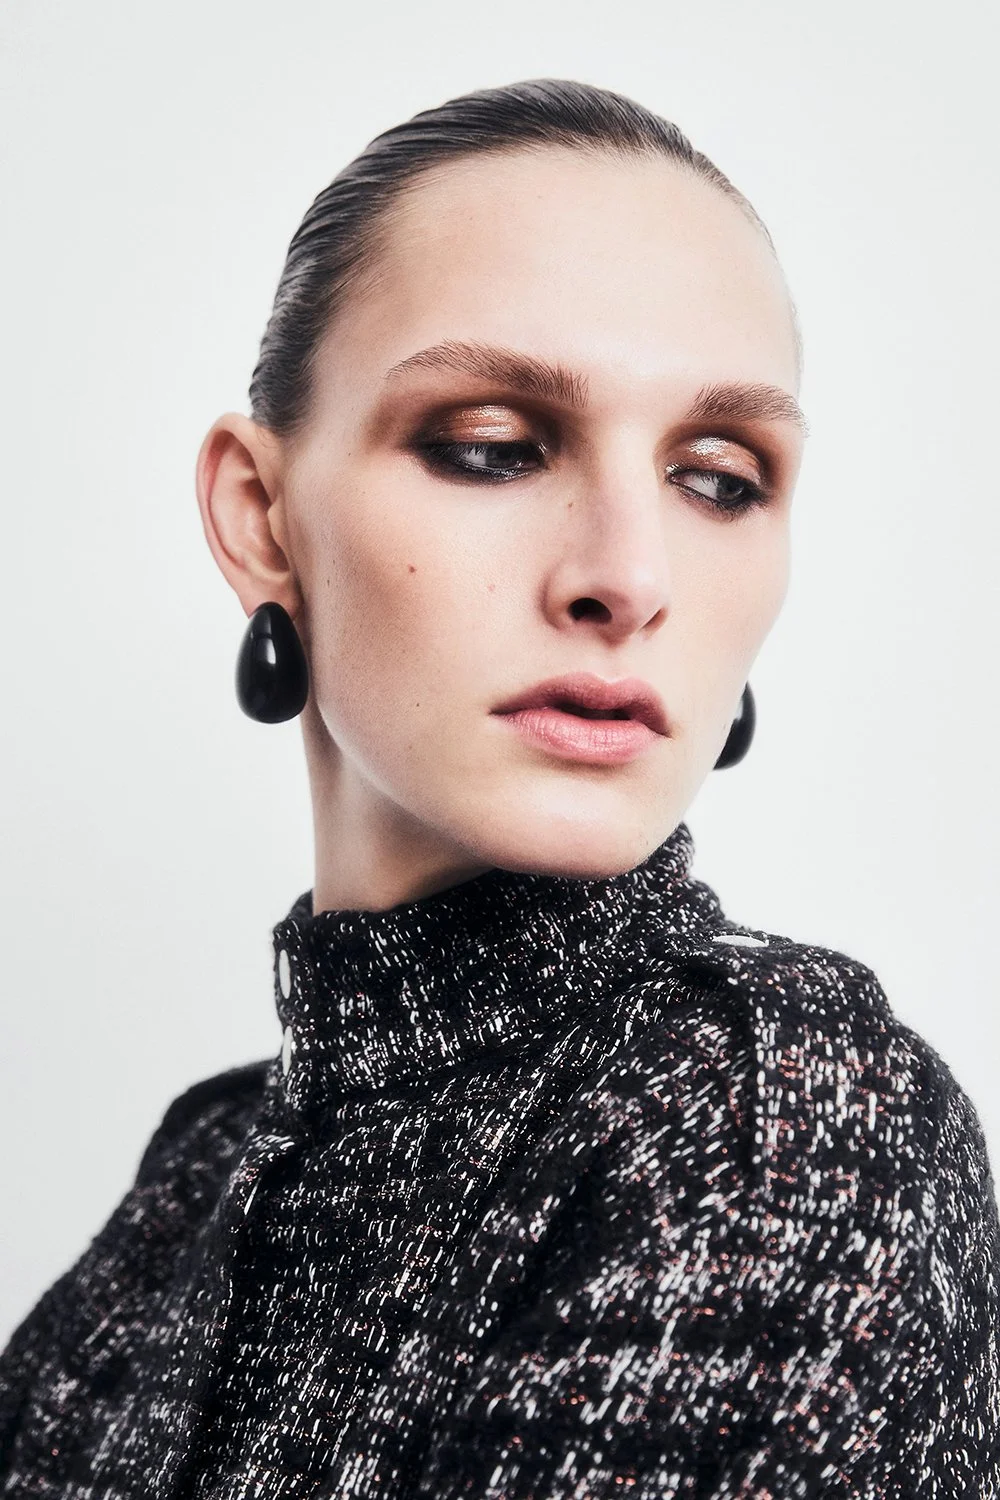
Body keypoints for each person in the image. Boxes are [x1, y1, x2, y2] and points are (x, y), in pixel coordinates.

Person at [1, 76, 997, 1500]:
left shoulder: (773, 1118)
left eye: (719, 478)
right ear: (259, 516)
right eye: (491, 447)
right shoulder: (200, 1168)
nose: (629, 577)